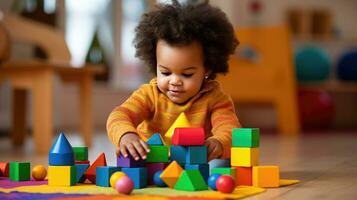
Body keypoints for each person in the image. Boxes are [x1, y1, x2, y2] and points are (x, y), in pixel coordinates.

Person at [107, 0, 241, 162]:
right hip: (150, 163)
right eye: (165, 72)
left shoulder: (215, 99)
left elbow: (230, 128)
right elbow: (119, 115)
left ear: (208, 69)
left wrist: (218, 142)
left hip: (190, 168)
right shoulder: (149, 95)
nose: (175, 81)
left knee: (223, 164)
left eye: (187, 74)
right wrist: (126, 136)